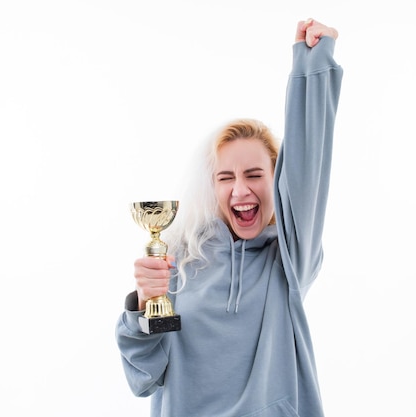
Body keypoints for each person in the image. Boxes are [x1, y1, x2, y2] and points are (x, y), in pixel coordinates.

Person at [116, 18, 343, 417]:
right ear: (212, 186)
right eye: (226, 177)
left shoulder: (289, 262)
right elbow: (146, 377)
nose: (240, 190)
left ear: (278, 182)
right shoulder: (181, 264)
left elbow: (309, 168)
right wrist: (143, 305)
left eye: (255, 175)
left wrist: (311, 68)